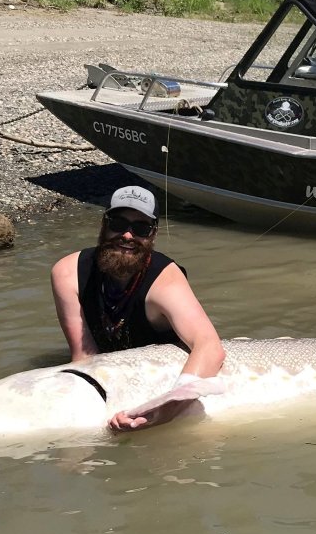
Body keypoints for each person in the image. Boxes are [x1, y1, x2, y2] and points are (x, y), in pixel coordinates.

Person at [51, 185, 225, 431]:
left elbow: (210, 346)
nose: (128, 236)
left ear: (152, 234)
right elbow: (84, 357)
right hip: (115, 377)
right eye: (119, 223)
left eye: (141, 228)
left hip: (168, 378)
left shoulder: (166, 279)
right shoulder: (67, 273)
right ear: (104, 223)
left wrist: (168, 408)